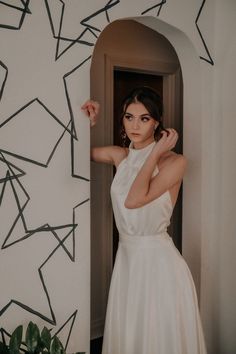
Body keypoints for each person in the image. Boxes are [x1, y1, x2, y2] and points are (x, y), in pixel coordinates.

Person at [82, 86, 207, 354]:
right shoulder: (120, 156)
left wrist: (154, 152)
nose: (134, 125)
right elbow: (75, 152)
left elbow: (134, 199)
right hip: (127, 260)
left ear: (157, 123)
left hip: (159, 264)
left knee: (159, 338)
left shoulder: (176, 161)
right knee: (130, 336)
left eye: (144, 118)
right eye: (129, 117)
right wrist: (88, 123)